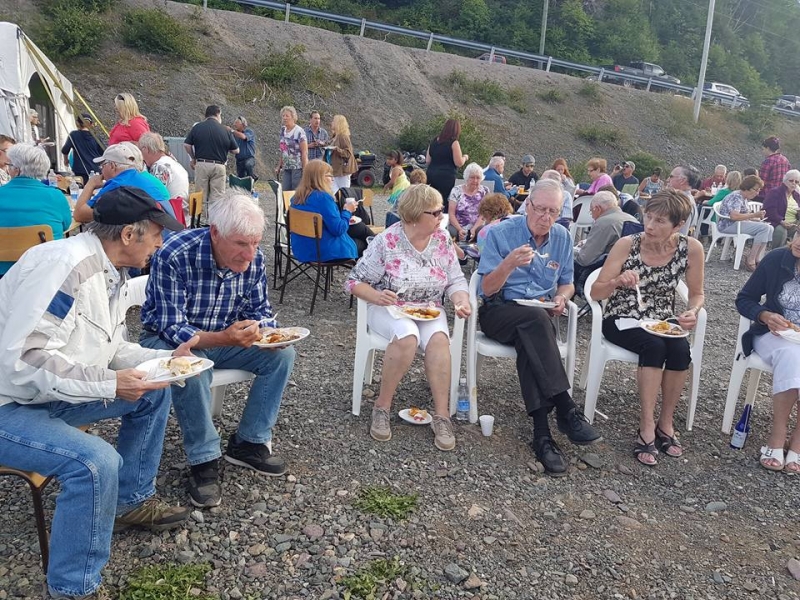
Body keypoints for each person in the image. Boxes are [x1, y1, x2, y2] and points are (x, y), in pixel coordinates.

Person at [0, 187, 190, 599]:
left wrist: (168, 359)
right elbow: (25, 359)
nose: (161, 243)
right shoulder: (64, 267)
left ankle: (130, 501)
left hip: (43, 395)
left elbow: (109, 349)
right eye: (158, 233)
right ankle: (73, 589)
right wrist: (109, 383)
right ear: (128, 234)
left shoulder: (110, 272)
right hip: (8, 403)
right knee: (94, 462)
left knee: (153, 390)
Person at [140, 190, 295, 508]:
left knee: (282, 356)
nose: (249, 254)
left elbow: (260, 310)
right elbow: (172, 326)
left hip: (225, 338)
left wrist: (266, 331)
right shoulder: (175, 253)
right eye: (241, 244)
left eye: (255, 243)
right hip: (166, 341)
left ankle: (248, 442)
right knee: (192, 369)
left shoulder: (254, 258)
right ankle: (203, 459)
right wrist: (226, 338)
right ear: (214, 232)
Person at [477, 179, 601, 475]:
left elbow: (567, 283)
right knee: (534, 322)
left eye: (553, 211)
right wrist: (508, 264)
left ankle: (542, 435)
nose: (546, 217)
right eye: (540, 209)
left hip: (538, 318)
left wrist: (562, 297)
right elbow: (486, 289)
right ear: (527, 205)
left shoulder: (562, 237)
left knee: (532, 333)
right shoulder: (501, 233)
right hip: (500, 311)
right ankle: (565, 406)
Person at [345, 184, 470, 451]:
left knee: (439, 340)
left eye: (441, 211)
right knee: (407, 336)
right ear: (414, 215)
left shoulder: (442, 239)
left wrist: (461, 299)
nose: (441, 217)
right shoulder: (387, 241)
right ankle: (382, 406)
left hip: (428, 308)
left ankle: (442, 415)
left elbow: (456, 279)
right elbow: (354, 282)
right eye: (435, 213)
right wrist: (377, 296)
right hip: (389, 307)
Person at [590, 189, 704, 467]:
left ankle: (666, 422)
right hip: (622, 315)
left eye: (660, 221)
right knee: (653, 346)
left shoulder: (691, 248)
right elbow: (595, 292)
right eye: (648, 217)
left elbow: (697, 294)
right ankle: (646, 425)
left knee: (680, 350)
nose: (650, 225)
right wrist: (617, 281)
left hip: (661, 318)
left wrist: (692, 311)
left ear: (678, 225)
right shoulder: (627, 244)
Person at [735, 235, 800, 473]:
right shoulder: (777, 259)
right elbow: (744, 299)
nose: (799, 242)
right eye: (799, 233)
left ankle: (797, 441)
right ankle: (778, 435)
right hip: (771, 334)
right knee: (791, 355)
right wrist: (765, 315)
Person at [0, 144, 72, 276]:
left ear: (17, 170)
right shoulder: (56, 196)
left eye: (9, 166)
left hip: (3, 273)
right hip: (44, 273)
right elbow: (66, 226)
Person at [73, 142, 176, 223]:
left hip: (147, 236)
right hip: (164, 230)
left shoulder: (117, 184)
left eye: (103, 165)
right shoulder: (145, 177)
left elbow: (79, 215)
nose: (101, 170)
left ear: (112, 166)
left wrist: (90, 184)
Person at [290, 159, 359, 261]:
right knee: (365, 243)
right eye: (329, 175)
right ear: (319, 178)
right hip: (322, 252)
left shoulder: (296, 197)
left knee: (360, 229)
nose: (332, 179)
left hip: (302, 249)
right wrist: (347, 211)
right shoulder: (323, 198)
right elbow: (338, 229)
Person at [573, 190, 640, 291]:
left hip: (603, 274)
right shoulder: (632, 219)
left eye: (591, 211)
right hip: (629, 272)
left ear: (597, 208)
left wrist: (572, 252)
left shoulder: (603, 222)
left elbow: (584, 260)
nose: (592, 216)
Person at [183, 105, 239, 210]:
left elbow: (187, 145)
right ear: (218, 114)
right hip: (219, 166)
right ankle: (214, 218)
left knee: (200, 195)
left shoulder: (197, 127)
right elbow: (236, 150)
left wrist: (193, 158)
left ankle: (200, 217)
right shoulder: (226, 130)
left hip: (202, 164)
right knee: (217, 197)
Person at [717, 175, 771, 271]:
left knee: (770, 227)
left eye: (759, 190)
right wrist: (754, 215)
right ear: (747, 187)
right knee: (764, 228)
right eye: (756, 190)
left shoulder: (743, 198)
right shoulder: (736, 197)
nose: (757, 193)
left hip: (736, 223)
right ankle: (751, 259)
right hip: (728, 225)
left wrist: (756, 219)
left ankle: (757, 257)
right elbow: (734, 216)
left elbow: (743, 215)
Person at [138, 132, 190, 224]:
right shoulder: (172, 162)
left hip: (173, 218)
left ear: (146, 149)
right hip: (181, 213)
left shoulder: (160, 167)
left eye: (140, 151)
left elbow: (154, 196)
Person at [425, 118, 469, 212]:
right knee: (443, 203)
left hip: (431, 175)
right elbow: (458, 163)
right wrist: (465, 157)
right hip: (446, 178)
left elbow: (428, 160)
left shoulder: (434, 141)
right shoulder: (454, 143)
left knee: (430, 201)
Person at [447, 162, 490, 241]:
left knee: (483, 230)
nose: (475, 180)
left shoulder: (485, 191)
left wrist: (474, 229)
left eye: (478, 178)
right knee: (451, 232)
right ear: (466, 178)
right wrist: (460, 229)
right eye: (472, 177)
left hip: (477, 226)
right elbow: (451, 214)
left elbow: (484, 214)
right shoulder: (456, 190)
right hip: (457, 226)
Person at [61, 113, 103, 184]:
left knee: (81, 188)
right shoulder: (96, 137)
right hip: (95, 169)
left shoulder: (74, 135)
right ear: (91, 124)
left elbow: (65, 150)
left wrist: (66, 160)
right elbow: (102, 153)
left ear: (78, 123)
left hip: (80, 170)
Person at [764, 169, 800, 248]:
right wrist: (781, 221)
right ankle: (776, 252)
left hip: (793, 224)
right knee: (781, 231)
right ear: (785, 180)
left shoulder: (796, 195)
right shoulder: (775, 192)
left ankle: (794, 253)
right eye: (791, 180)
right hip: (776, 222)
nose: (794, 183)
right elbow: (769, 210)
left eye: (796, 182)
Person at [276, 105, 307, 191]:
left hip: (297, 167)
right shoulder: (283, 130)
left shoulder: (299, 131)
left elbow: (304, 152)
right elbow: (283, 150)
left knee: (295, 191)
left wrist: (305, 170)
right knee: (285, 190)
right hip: (286, 166)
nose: (284, 118)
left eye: (287, 116)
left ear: (293, 117)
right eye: (283, 116)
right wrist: (279, 165)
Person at [329, 114, 357, 195]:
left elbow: (348, 153)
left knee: (345, 193)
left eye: (333, 121)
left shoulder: (343, 136)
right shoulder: (335, 136)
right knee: (332, 193)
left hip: (343, 171)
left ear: (338, 123)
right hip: (335, 170)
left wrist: (336, 149)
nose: (332, 123)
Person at [759, 136, 791, 200]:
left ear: (768, 148)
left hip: (767, 195)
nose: (763, 151)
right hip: (781, 194)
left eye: (763, 149)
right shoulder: (785, 160)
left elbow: (761, 181)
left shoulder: (768, 161)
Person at [383, 150, 410, 227]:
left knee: (396, 209)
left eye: (390, 159)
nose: (388, 161)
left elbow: (392, 181)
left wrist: (386, 186)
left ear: (396, 160)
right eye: (387, 158)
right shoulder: (396, 167)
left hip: (401, 189)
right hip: (401, 188)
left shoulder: (396, 169)